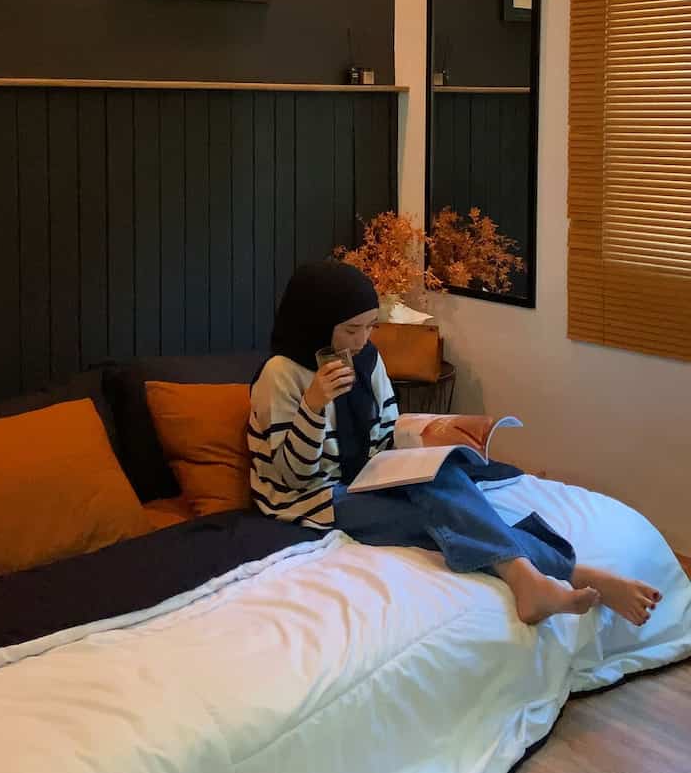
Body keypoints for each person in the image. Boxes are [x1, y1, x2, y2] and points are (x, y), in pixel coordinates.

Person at [249, 261, 661, 626]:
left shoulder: (367, 358)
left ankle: (534, 581)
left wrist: (424, 452)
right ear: (316, 325)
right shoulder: (280, 375)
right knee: (442, 522)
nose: (361, 341)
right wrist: (314, 405)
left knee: (445, 481)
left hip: (364, 477)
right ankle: (572, 575)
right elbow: (294, 477)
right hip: (312, 499)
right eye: (351, 330)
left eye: (370, 326)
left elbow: (385, 434)